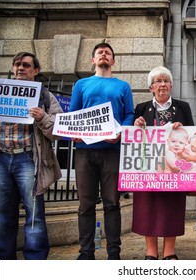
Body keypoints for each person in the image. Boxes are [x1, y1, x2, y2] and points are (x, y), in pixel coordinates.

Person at [69, 42, 135, 260]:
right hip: (84, 151)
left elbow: (129, 114)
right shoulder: (81, 84)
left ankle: (114, 253)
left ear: (113, 61)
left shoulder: (123, 86)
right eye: (100, 52)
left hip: (112, 150)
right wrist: (73, 132)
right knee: (85, 205)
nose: (104, 54)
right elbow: (73, 114)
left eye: (108, 52)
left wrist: (120, 133)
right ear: (93, 60)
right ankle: (86, 253)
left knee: (112, 203)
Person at [0, 52, 63, 259]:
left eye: (26, 65)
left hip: (28, 160)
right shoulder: (2, 92)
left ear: (35, 71)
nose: (20, 68)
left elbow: (59, 130)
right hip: (2, 159)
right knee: (2, 217)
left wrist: (43, 117)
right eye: (17, 64)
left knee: (34, 216)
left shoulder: (45, 97)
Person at [132, 66, 194, 260]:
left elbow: (191, 133)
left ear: (171, 85)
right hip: (148, 168)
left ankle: (169, 251)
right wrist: (136, 126)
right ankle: (151, 252)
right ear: (151, 87)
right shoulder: (141, 108)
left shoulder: (182, 107)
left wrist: (182, 128)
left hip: (173, 170)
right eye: (158, 81)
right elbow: (133, 138)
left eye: (166, 81)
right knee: (147, 206)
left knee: (172, 207)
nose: (162, 84)